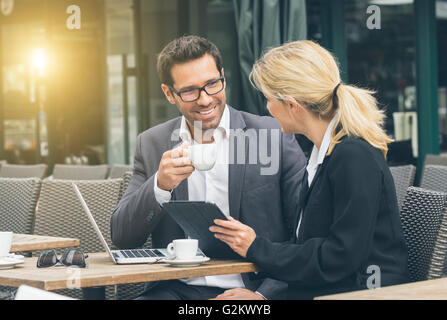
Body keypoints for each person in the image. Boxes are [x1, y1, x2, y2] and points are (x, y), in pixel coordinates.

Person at [210, 40, 411, 300]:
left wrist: (256, 247)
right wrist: (262, 296)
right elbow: (313, 249)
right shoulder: (324, 153)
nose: (267, 109)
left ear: (293, 105)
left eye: (268, 99)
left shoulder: (353, 156)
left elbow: (338, 258)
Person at [110, 35, 306, 300]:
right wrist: (160, 185)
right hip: (175, 290)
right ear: (169, 93)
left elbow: (305, 232)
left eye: (212, 84)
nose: (204, 100)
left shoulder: (272, 134)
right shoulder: (152, 143)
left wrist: (264, 295)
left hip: (253, 288)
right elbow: (123, 237)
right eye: (190, 90)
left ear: (222, 77)